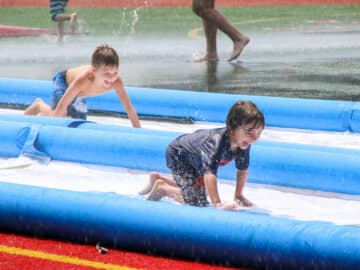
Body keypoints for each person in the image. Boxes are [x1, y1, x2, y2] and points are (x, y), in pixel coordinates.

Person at [139, 100, 264, 210]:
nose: (255, 137)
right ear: (232, 127)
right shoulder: (216, 143)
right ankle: (162, 188)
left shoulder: (244, 143)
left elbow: (242, 171)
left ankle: (156, 178)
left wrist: (238, 195)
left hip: (194, 158)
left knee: (196, 187)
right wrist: (217, 204)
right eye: (250, 131)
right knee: (198, 200)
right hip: (179, 155)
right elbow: (209, 174)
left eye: (259, 132)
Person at [24, 44, 141, 128]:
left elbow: (128, 108)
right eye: (106, 74)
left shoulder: (116, 82)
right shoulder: (84, 79)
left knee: (78, 123)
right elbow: (63, 104)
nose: (111, 78)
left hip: (80, 93)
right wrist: (56, 129)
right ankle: (38, 106)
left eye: (115, 73)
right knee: (60, 115)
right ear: (94, 70)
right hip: (64, 82)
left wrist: (138, 131)